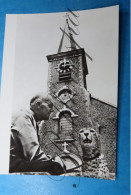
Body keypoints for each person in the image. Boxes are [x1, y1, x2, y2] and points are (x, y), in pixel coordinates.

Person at [9, 93, 65, 175]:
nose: (52, 110)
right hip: (8, 162)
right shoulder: (23, 117)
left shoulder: (31, 120)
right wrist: (53, 161)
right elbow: (33, 154)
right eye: (50, 105)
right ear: (38, 104)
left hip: (14, 161)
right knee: (54, 167)